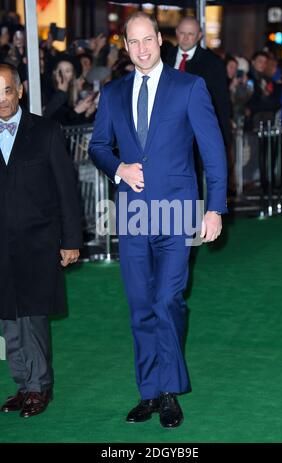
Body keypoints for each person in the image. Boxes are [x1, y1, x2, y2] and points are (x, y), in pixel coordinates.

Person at [89, 12, 227, 428]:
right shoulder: (112, 93)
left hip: (177, 212)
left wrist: (215, 208)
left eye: (148, 39)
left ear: (160, 42)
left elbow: (214, 152)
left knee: (168, 300)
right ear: (126, 47)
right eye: (134, 42)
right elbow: (97, 146)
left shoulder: (190, 87)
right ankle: (148, 392)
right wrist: (119, 170)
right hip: (132, 214)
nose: (143, 48)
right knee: (140, 306)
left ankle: (169, 391)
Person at [0, 63, 82, 418]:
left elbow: (67, 190)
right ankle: (23, 384)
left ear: (20, 91)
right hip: (1, 247)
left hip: (38, 241)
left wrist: (71, 240)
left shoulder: (46, 131)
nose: (0, 99)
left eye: (6, 90)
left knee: (33, 318)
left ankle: (39, 388)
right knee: (8, 319)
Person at [164, 16, 231, 147]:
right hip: (168, 130)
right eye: (182, 33)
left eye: (191, 34)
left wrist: (223, 138)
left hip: (197, 132)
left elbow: (221, 102)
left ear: (199, 35)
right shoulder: (164, 57)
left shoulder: (212, 63)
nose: (186, 38)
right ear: (176, 32)